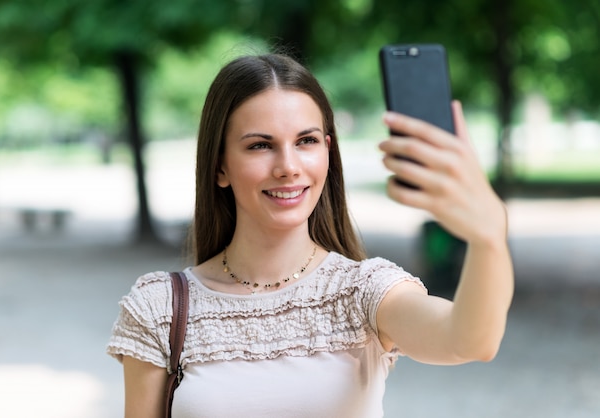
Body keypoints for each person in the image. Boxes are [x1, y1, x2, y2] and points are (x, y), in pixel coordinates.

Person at [107, 53, 514, 417]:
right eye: (260, 146)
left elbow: (469, 340)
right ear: (220, 167)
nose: (288, 166)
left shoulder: (365, 292)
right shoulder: (160, 309)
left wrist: (488, 237)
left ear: (327, 152)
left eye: (306, 141)